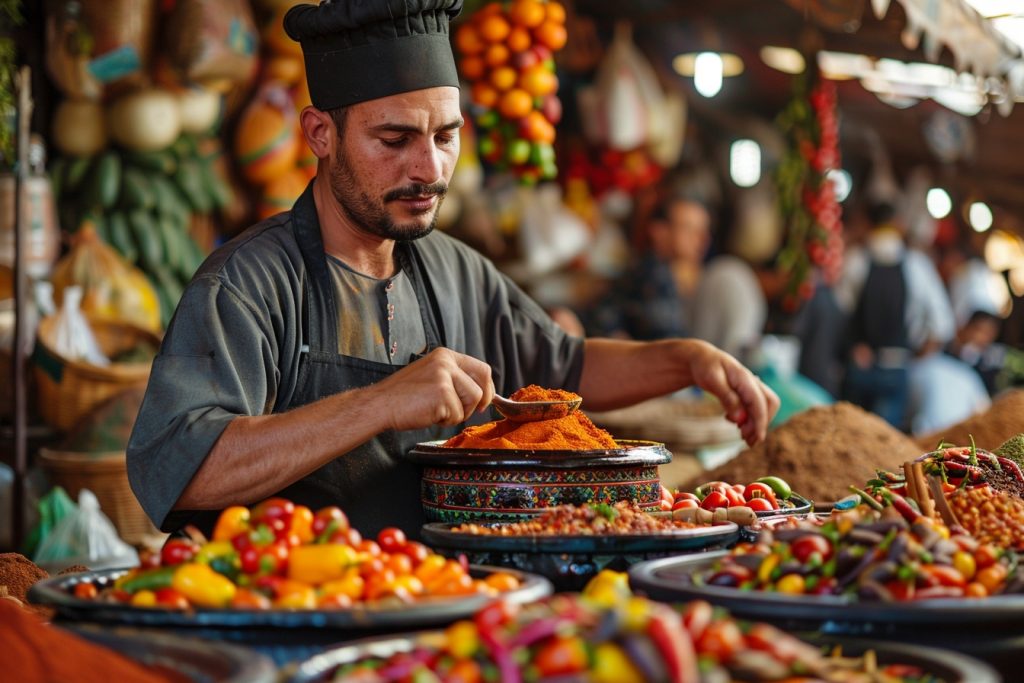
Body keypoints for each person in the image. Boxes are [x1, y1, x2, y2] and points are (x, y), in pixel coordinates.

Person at [126, 0, 779, 538]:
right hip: (290, 616)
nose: (431, 169)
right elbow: (183, 467)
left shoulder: (454, 268)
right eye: (395, 140)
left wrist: (687, 359)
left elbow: (564, 367)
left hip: (442, 605)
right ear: (320, 134)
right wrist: (382, 402)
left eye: (445, 135)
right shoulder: (247, 285)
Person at [834, 200, 955, 429]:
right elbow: (941, 324)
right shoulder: (918, 265)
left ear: (867, 224)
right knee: (883, 444)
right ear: (898, 224)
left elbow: (839, 314)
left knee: (850, 437)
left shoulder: (856, 260)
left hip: (860, 365)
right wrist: (917, 355)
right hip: (897, 365)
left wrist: (852, 346)